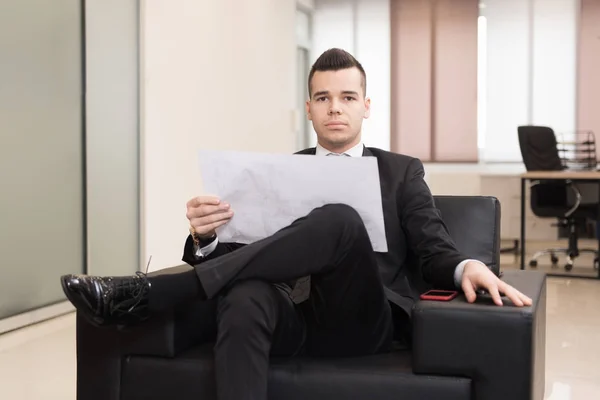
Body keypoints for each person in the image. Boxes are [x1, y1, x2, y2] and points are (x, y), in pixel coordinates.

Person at [61, 48, 532, 400]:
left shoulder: (401, 171)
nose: (334, 107)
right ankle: (178, 289)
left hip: (362, 319)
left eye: (347, 97)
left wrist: (466, 265)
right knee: (245, 295)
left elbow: (433, 248)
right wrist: (205, 240)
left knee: (341, 220)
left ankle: (161, 292)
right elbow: (245, 259)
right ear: (308, 108)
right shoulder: (279, 171)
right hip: (292, 315)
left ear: (366, 106)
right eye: (322, 97)